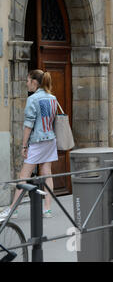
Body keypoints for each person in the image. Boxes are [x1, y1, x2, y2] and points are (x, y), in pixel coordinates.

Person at [0, 70, 58, 221]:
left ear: (34, 82)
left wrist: (24, 145)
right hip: (50, 139)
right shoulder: (53, 98)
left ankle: (13, 208)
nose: (26, 83)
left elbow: (28, 125)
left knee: (23, 176)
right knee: (47, 173)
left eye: (27, 80)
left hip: (37, 141)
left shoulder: (32, 99)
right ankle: (47, 209)